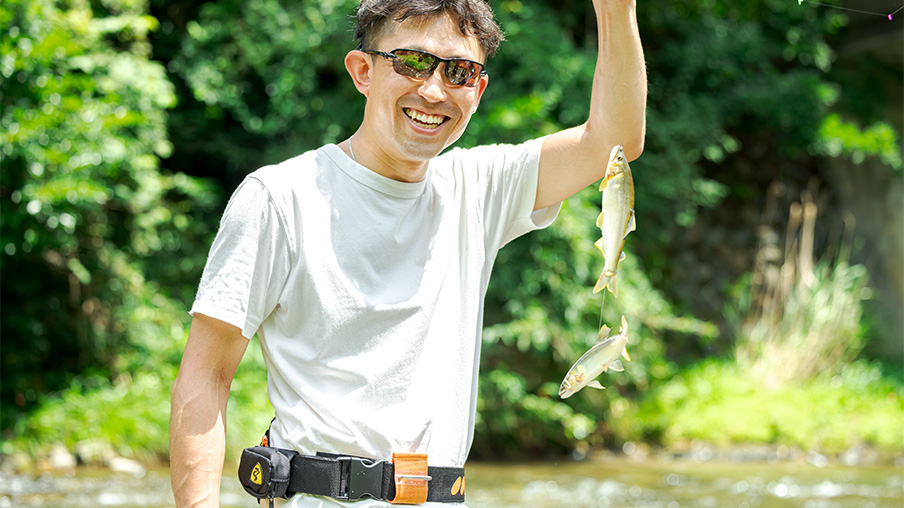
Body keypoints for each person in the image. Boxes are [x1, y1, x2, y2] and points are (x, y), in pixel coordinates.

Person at [169, 0, 645, 506]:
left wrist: (617, 10)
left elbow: (614, 142)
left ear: (478, 91)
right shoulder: (279, 197)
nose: (434, 91)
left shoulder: (478, 189)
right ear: (362, 71)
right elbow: (205, 376)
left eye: (460, 71)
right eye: (412, 63)